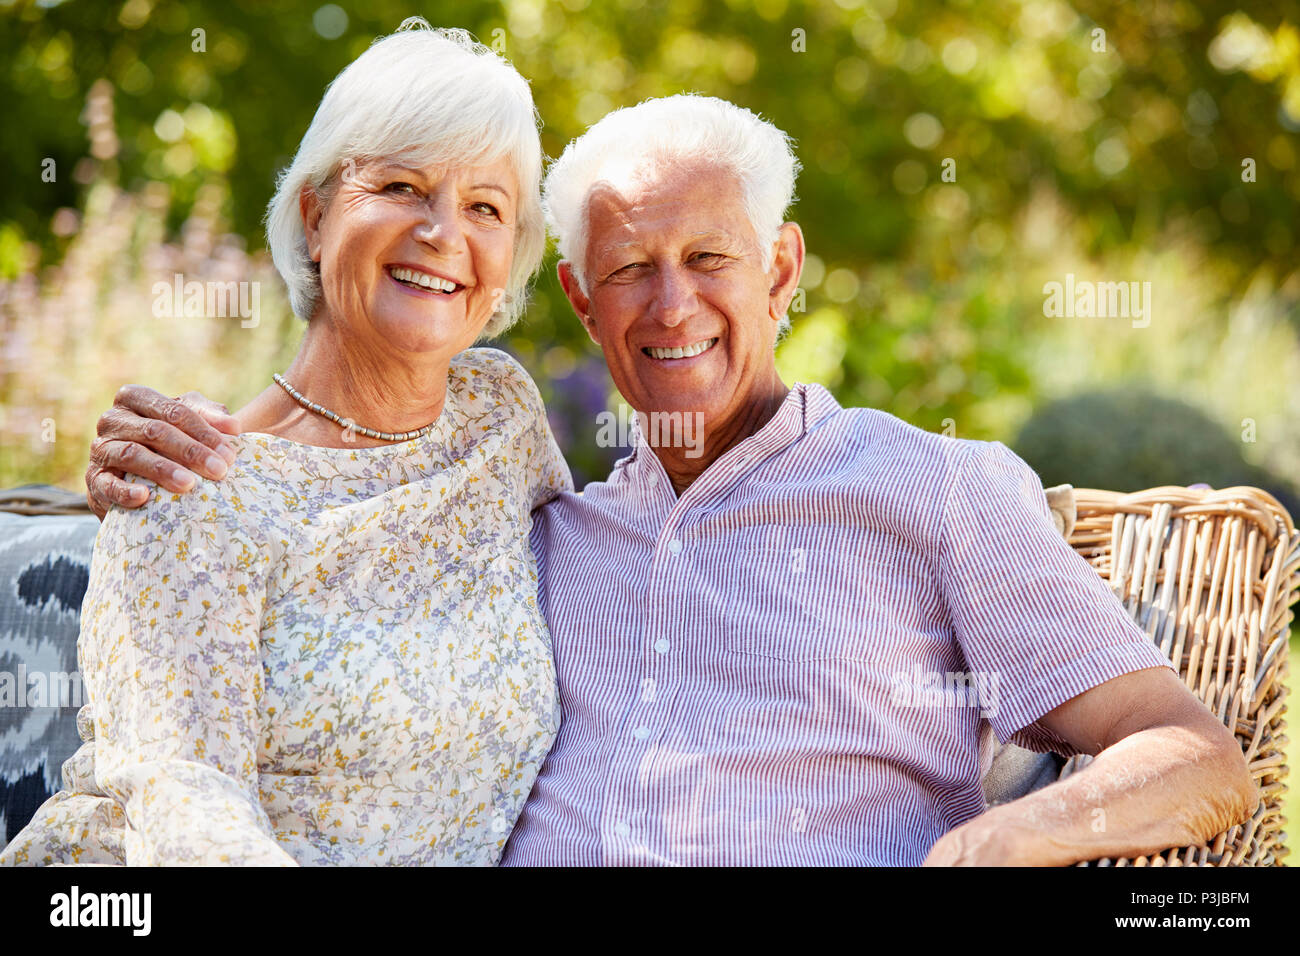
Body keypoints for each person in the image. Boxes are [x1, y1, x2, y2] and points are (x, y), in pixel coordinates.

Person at [78, 95, 1257, 866]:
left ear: (780, 269)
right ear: (582, 302)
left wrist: (994, 844)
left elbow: (1194, 755)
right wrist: (183, 447)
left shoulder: (932, 489)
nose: (671, 304)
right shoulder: (533, 510)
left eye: (709, 259)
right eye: (630, 269)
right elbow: (341, 473)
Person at [1, 21, 571, 866]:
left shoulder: (501, 418)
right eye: (403, 186)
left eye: (485, 207)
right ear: (314, 215)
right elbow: (187, 801)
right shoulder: (189, 480)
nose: (444, 233)